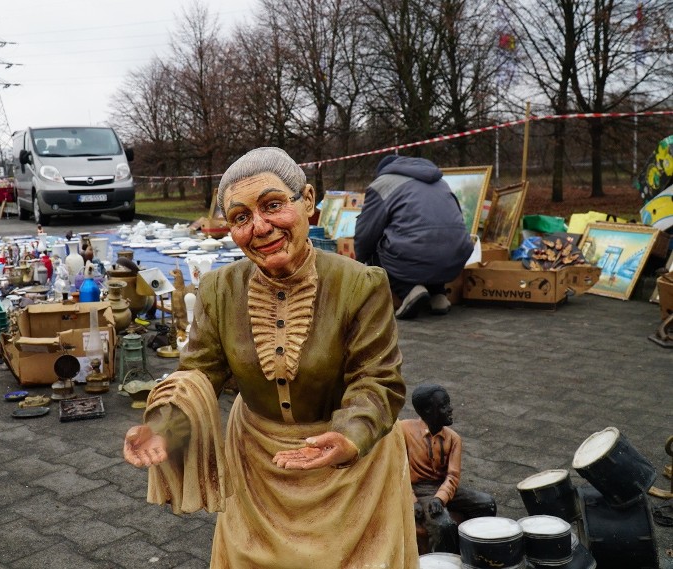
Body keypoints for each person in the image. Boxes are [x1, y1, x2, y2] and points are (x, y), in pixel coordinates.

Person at [124, 147, 419, 568]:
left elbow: (377, 380)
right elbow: (199, 374)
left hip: (354, 477)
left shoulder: (361, 283)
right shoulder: (219, 289)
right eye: (241, 217)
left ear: (308, 201)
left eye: (273, 205)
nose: (260, 227)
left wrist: (350, 435)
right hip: (257, 467)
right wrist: (163, 426)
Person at [354, 155, 473, 319]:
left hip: (417, 253)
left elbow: (366, 232)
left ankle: (408, 291)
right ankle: (438, 296)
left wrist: (360, 262)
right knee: (432, 242)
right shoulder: (442, 182)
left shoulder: (382, 183)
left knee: (374, 250)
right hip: (457, 257)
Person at [401, 384, 496, 553]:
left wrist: (440, 499)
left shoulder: (453, 439)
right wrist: (412, 501)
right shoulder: (403, 431)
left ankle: (475, 551)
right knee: (444, 526)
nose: (450, 409)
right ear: (428, 411)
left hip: (443, 487)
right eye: (444, 406)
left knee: (487, 504)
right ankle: (445, 559)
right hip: (419, 490)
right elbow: (397, 472)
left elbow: (452, 476)